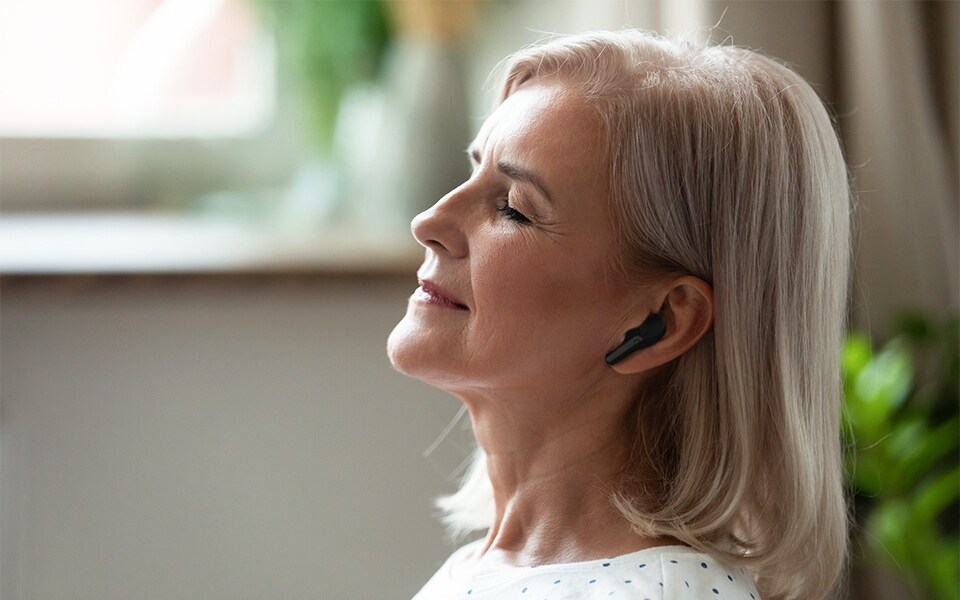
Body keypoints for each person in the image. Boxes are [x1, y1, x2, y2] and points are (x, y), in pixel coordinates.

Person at [387, 29, 852, 600]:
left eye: (514, 209)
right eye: (474, 168)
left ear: (661, 320)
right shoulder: (486, 568)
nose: (429, 221)